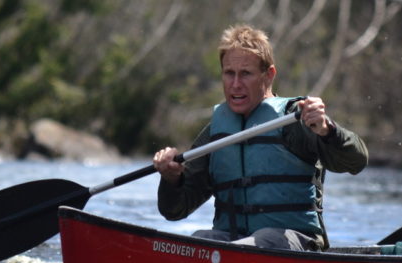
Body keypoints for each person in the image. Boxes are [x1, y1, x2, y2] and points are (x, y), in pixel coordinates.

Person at [152, 24, 368, 251]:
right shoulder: (217, 132)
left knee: (262, 240)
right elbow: (174, 211)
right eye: (229, 73)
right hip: (234, 243)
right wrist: (171, 180)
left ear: (269, 75)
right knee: (198, 240)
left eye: (246, 73)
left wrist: (326, 130)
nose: (236, 84)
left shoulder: (294, 121)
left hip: (293, 244)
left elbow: (357, 161)